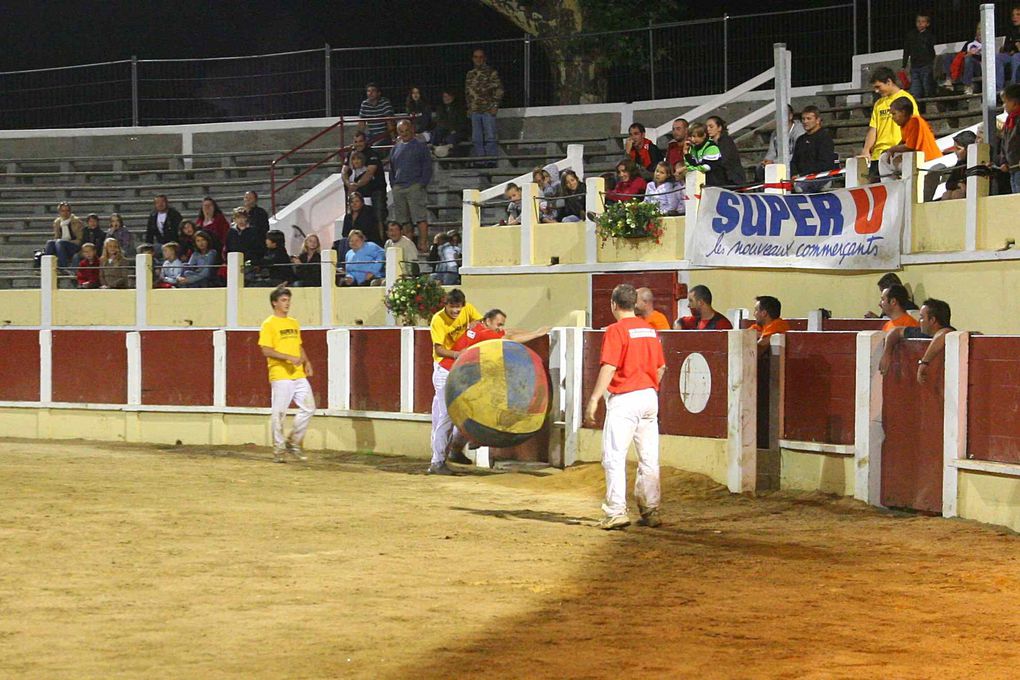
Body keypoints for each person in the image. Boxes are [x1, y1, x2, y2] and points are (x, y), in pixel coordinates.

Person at [583, 283, 666, 530]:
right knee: (649, 457)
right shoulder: (650, 331)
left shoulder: (616, 331)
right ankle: (650, 510)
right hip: (650, 397)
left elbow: (609, 367)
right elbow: (661, 368)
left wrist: (595, 398)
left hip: (625, 399)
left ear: (613, 304)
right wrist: (649, 387)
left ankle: (616, 511)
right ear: (635, 304)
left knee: (614, 457)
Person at [437, 309, 551, 469]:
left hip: (461, 373)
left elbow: (507, 331)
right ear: (488, 320)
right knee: (449, 419)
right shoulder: (484, 334)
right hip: (455, 376)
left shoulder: (480, 328)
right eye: (498, 324)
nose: (499, 328)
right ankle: (439, 460)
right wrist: (536, 334)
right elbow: (508, 337)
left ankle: (457, 449)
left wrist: (533, 330)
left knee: (468, 412)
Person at [427, 289, 483, 475]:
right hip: (445, 368)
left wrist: (473, 329)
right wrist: (458, 353)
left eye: (458, 308)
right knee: (446, 416)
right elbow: (440, 349)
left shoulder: (468, 310)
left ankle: (454, 450)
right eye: (452, 308)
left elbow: (480, 323)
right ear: (446, 305)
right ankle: (437, 461)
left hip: (461, 368)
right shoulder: (438, 320)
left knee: (464, 409)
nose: (456, 312)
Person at [258, 287, 314, 463]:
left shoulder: (293, 323)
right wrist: (288, 357)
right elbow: (266, 350)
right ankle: (279, 449)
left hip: (297, 373)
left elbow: (298, 346)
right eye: (283, 300)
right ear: (274, 302)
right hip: (280, 373)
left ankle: (293, 441)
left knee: (309, 408)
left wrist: (307, 362)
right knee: (279, 413)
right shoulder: (269, 324)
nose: (287, 303)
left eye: (288, 300)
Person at [860, 67, 917, 182]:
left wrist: (903, 148)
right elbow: (873, 129)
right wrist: (866, 150)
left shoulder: (906, 99)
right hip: (878, 155)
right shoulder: (879, 104)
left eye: (878, 87)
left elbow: (913, 126)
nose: (876, 91)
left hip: (896, 153)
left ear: (889, 82)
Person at [880, 298, 955, 385]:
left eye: (922, 317)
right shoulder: (921, 332)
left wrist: (924, 362)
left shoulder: (949, 333)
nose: (919, 321)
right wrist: (887, 353)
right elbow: (895, 331)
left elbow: (943, 333)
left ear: (932, 320)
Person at [389, 119, 433, 252]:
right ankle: (408, 247)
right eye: (401, 131)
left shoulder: (420, 146)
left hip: (414, 186)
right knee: (403, 221)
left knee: (419, 218)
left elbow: (427, 167)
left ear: (412, 130)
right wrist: (393, 184)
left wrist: (421, 183)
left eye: (407, 130)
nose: (404, 133)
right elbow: (392, 168)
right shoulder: (395, 148)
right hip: (399, 187)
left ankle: (423, 244)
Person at [878, 98, 942, 178]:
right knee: (885, 158)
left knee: (884, 161)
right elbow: (904, 142)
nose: (892, 117)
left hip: (929, 162)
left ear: (903, 112)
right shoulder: (905, 124)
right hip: (920, 161)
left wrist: (892, 149)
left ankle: (892, 187)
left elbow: (910, 146)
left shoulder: (914, 121)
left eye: (894, 114)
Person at [465, 49, 504, 162]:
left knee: (490, 137)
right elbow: (467, 92)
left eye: (480, 57)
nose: (478, 59)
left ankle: (491, 161)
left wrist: (495, 105)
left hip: (488, 109)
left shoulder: (491, 72)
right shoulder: (470, 74)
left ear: (484, 58)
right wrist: (469, 107)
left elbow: (499, 90)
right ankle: (481, 161)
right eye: (476, 57)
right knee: (477, 138)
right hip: (475, 110)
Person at [343, 132, 387, 229]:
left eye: (361, 141)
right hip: (357, 192)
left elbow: (369, 173)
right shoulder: (350, 154)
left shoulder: (372, 154)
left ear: (365, 141)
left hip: (375, 191)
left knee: (378, 217)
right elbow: (344, 171)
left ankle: (380, 241)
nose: (358, 144)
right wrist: (348, 184)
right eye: (356, 141)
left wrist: (355, 185)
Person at [791, 106, 838, 193]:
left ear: (817, 120)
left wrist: (802, 175)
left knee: (800, 187)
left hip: (820, 176)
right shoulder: (800, 139)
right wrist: (794, 174)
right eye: (803, 119)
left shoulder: (825, 138)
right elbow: (794, 160)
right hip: (801, 177)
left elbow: (825, 164)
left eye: (809, 118)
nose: (805, 122)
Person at [758, 106, 804, 181]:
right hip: (778, 163)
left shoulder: (799, 131)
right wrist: (766, 161)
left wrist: (773, 162)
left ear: (790, 116)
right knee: (760, 169)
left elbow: (796, 155)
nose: (778, 119)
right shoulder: (774, 133)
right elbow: (771, 152)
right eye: (777, 116)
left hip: (793, 164)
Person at [927, 130, 976, 201]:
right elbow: (949, 183)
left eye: (958, 149)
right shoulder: (960, 164)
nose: (955, 152)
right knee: (946, 195)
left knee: (957, 194)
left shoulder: (974, 163)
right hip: (959, 191)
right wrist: (959, 184)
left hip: (971, 196)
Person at [902, 12, 937, 102]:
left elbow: (931, 50)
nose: (920, 23)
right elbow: (906, 50)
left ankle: (930, 104)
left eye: (923, 21)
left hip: (926, 65)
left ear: (927, 24)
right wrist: (904, 65)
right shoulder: (911, 35)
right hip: (915, 67)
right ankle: (917, 108)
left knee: (927, 86)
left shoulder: (929, 35)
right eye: (918, 21)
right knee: (915, 89)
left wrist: (930, 62)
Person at [706, 116, 745, 186]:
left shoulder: (726, 141)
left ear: (719, 128)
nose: (708, 129)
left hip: (731, 179)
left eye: (711, 127)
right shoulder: (709, 143)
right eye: (707, 127)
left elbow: (724, 160)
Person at [44, 202, 83, 269]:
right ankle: (46, 267)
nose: (65, 213)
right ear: (59, 212)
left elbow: (80, 239)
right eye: (63, 211)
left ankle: (63, 267)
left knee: (60, 242)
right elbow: (56, 237)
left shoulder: (76, 221)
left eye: (67, 210)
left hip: (74, 245)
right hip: (60, 245)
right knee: (50, 243)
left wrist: (66, 242)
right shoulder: (57, 222)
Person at [998, 83, 1020, 194]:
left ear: (1014, 102)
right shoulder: (1009, 121)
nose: (1004, 105)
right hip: (1013, 168)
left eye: (1005, 102)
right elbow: (1004, 144)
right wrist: (1003, 161)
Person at [997, 6, 1020, 91]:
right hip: (1011, 54)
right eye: (1013, 15)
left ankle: (1013, 88)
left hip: (1016, 55)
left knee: (1016, 57)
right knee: (998, 57)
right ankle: (999, 90)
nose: (1014, 17)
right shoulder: (1011, 30)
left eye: (1018, 14)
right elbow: (1007, 45)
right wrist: (1012, 49)